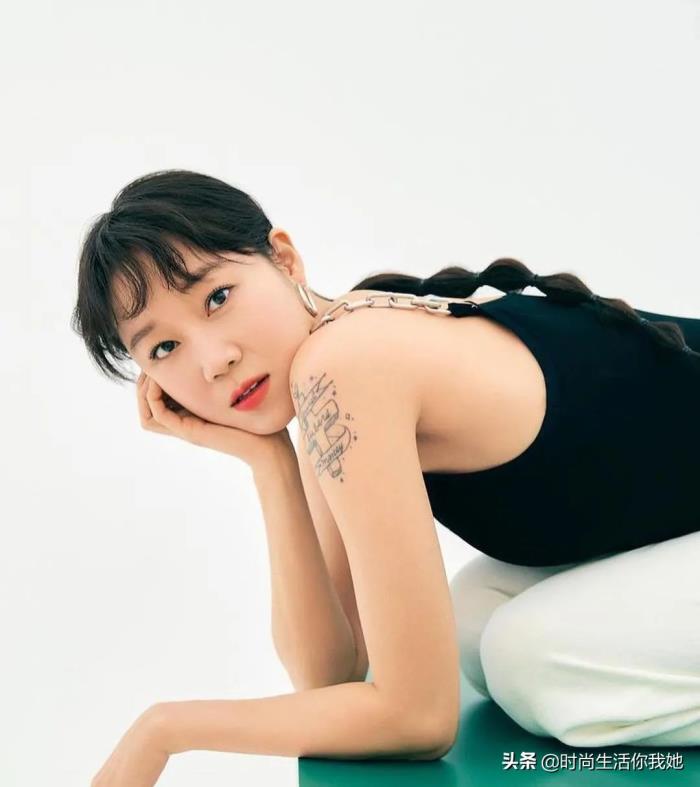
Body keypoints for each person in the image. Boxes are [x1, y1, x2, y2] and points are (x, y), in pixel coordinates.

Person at [72, 170, 700, 781]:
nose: (213, 361)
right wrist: (270, 462)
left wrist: (167, 729)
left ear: (283, 259)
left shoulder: (344, 367)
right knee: (476, 621)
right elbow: (331, 675)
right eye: (164, 348)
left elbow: (418, 720)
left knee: (529, 657)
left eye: (217, 298)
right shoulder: (328, 372)